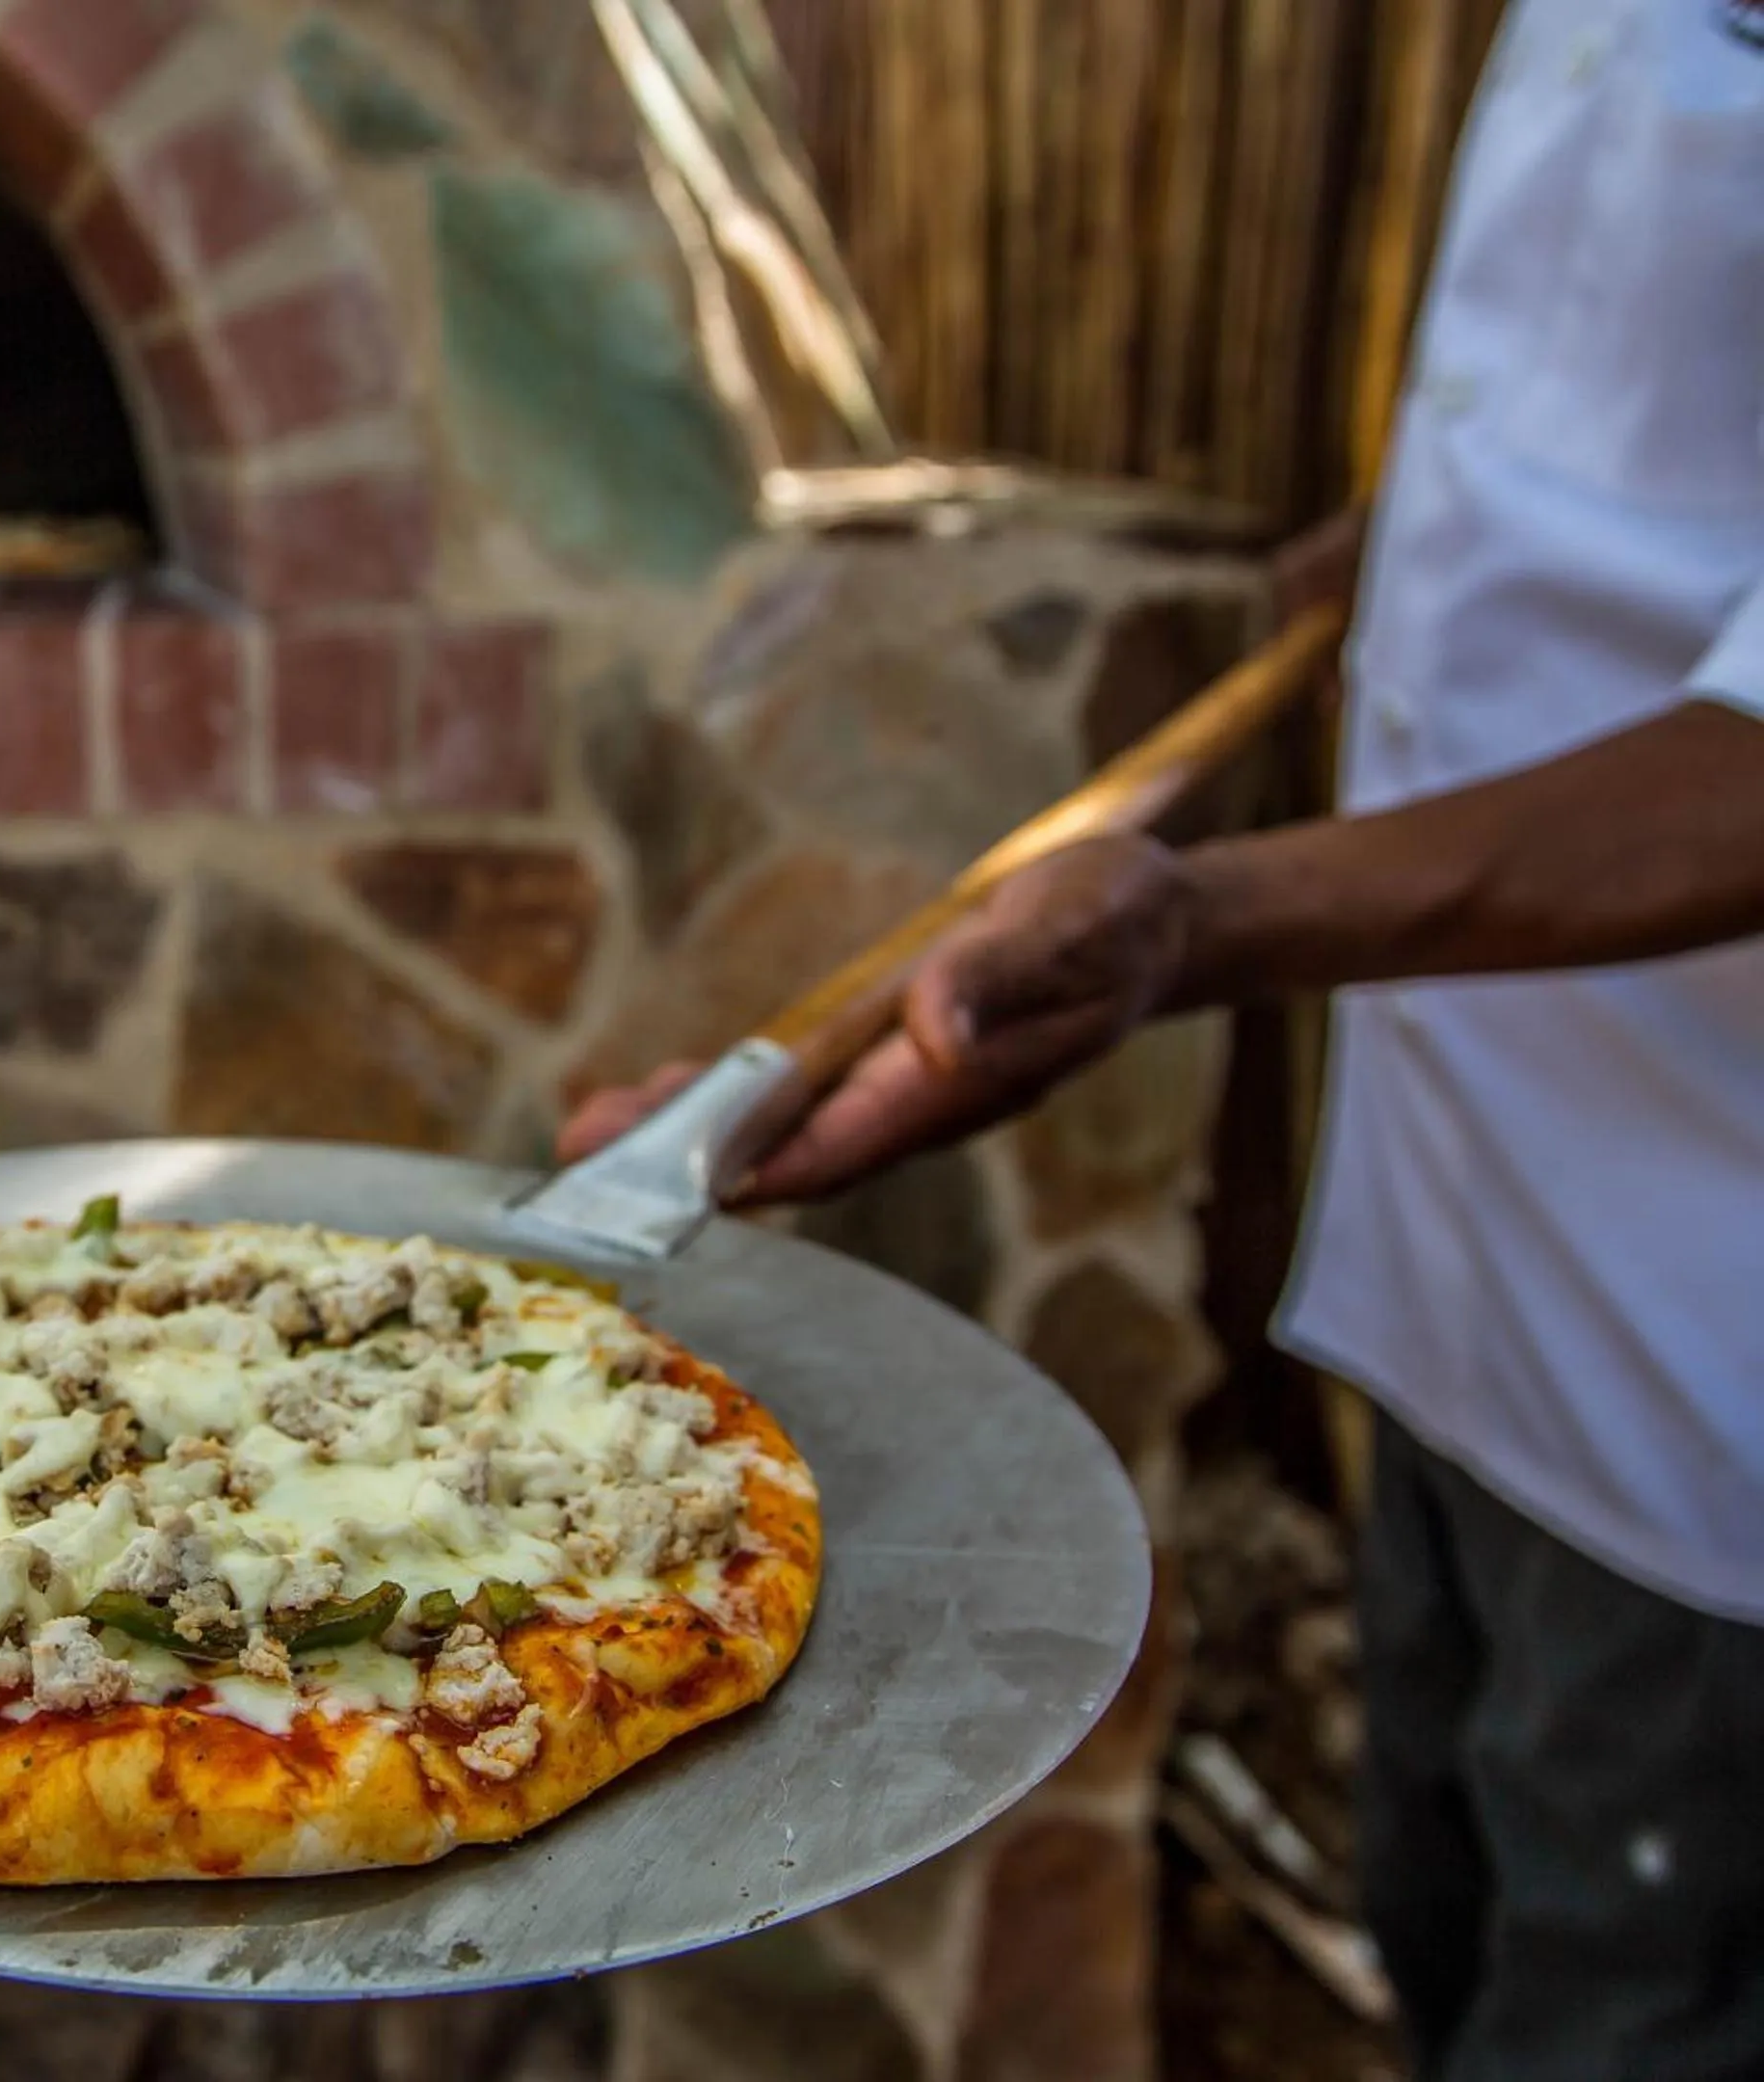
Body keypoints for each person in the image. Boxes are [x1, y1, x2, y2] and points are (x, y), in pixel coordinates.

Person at [563, 6, 1764, 2076]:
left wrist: (1195, 922)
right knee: (1446, 1911)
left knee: (1631, 1998)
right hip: (1472, 1236)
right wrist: (1429, 535)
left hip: (1704, 1301)